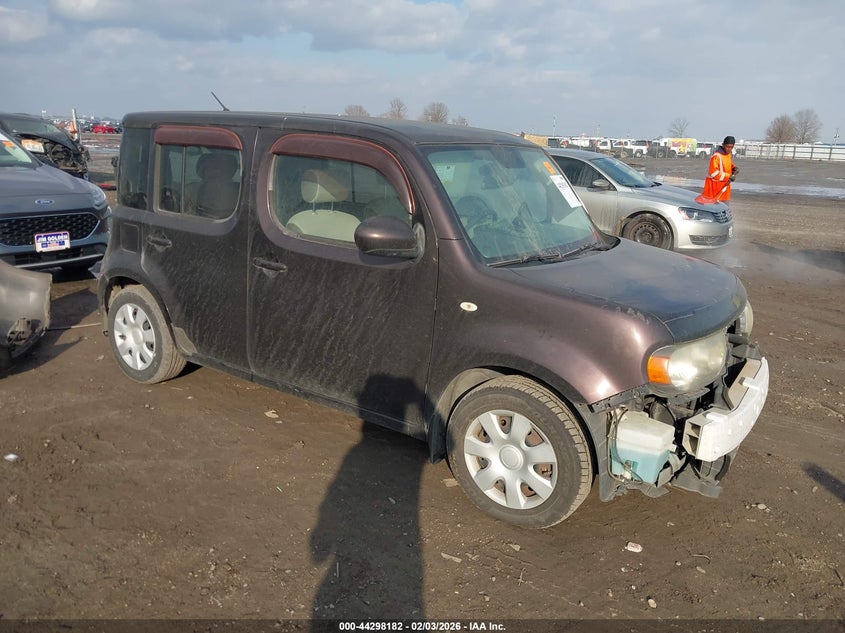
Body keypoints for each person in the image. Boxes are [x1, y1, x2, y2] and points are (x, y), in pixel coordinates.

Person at [701, 135, 738, 204]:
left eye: (731, 147)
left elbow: (727, 165)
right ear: (723, 145)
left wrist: (733, 168)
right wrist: (729, 176)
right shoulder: (716, 156)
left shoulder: (728, 155)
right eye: (727, 147)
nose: (729, 149)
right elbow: (713, 173)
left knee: (724, 210)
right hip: (715, 190)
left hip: (724, 189)